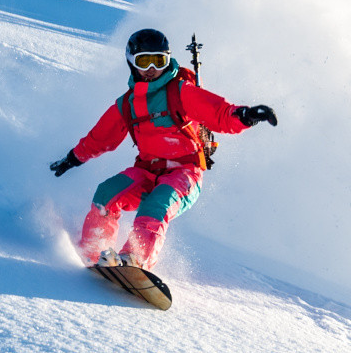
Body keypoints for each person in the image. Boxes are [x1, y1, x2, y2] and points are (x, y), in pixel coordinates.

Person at [50, 28, 277, 270]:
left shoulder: (180, 92)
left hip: (185, 173)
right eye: (144, 61)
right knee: (106, 193)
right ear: (131, 63)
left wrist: (246, 115)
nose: (151, 68)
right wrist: (73, 158)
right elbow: (100, 138)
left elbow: (218, 114)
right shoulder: (127, 104)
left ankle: (136, 259)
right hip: (147, 170)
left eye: (158, 61)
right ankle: (92, 252)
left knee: (158, 203)